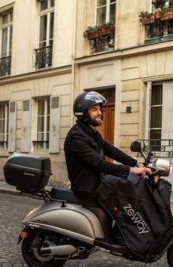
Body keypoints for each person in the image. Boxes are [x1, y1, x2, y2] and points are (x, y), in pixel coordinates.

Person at [64, 91, 151, 242]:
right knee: (125, 199)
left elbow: (111, 150)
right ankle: (120, 238)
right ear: (83, 112)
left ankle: (124, 236)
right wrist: (132, 170)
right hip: (88, 189)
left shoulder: (92, 133)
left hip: (99, 183)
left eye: (100, 109)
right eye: (94, 109)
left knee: (128, 193)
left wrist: (135, 163)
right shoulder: (76, 137)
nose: (100, 113)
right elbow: (100, 164)